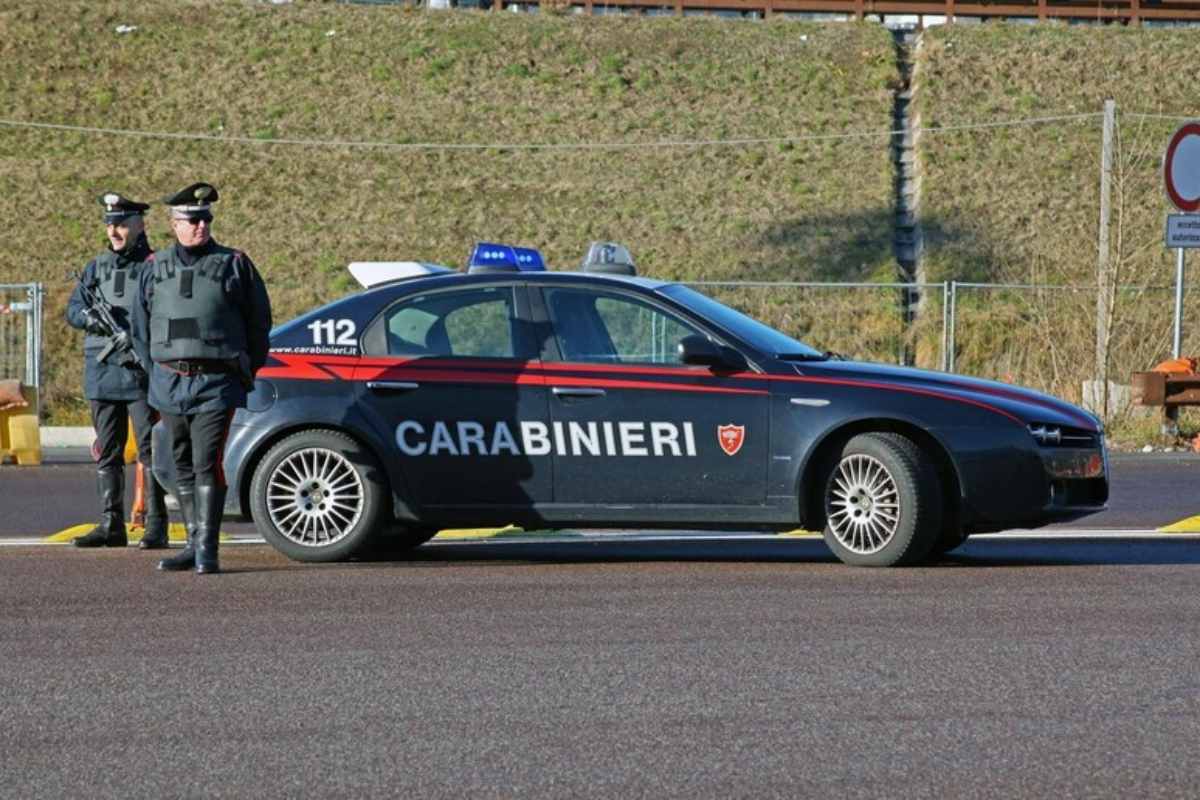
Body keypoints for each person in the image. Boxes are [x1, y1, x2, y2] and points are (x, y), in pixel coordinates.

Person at [130, 182, 272, 575]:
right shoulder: (154, 268)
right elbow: (140, 329)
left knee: (206, 461)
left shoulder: (234, 264)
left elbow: (259, 323)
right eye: (192, 220)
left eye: (206, 218)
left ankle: (208, 550)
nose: (201, 225)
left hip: (215, 383)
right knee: (178, 464)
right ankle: (192, 542)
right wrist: (155, 369)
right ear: (174, 223)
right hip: (169, 382)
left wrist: (246, 369)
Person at [66, 192, 169, 550]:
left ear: (140, 226)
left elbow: (165, 316)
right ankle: (111, 524)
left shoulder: (155, 267)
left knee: (150, 451)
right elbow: (74, 310)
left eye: (121, 224)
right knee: (107, 451)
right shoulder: (96, 267)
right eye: (110, 224)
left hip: (139, 374)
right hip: (102, 372)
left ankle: (156, 525)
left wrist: (138, 338)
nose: (114, 231)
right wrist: (90, 320)